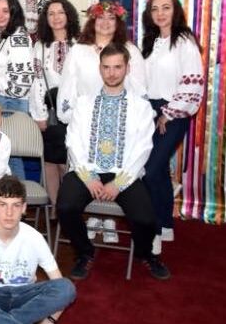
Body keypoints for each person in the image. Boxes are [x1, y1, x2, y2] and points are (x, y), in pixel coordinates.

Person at [57, 43, 171, 281]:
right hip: (86, 171)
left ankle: (145, 253)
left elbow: (143, 149)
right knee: (65, 207)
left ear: (127, 68)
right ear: (100, 69)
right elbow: (73, 141)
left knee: (146, 219)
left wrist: (118, 183)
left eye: (117, 67)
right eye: (107, 67)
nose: (112, 73)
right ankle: (84, 252)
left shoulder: (141, 107)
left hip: (124, 174)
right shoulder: (84, 103)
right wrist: (88, 177)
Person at [0, 177, 76, 324]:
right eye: (3, 205)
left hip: (24, 296)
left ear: (24, 208)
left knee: (66, 287)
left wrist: (48, 322)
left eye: (16, 205)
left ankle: (2, 321)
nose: (9, 213)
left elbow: (60, 285)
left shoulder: (35, 237)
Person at [141, 0, 204, 251]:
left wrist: (168, 113)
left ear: (175, 10)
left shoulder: (184, 41)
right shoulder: (151, 42)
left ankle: (154, 231)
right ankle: (166, 225)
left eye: (166, 7)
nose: (160, 13)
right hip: (150, 111)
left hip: (172, 112)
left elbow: (193, 81)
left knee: (151, 170)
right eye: (155, 9)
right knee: (158, 171)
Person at [57, 0, 147, 126]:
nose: (105, 22)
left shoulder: (130, 50)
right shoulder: (78, 50)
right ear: (93, 21)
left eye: (111, 18)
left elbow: (139, 86)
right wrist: (71, 117)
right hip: (86, 120)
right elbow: (67, 86)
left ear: (118, 23)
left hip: (122, 119)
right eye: (100, 17)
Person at [28, 0, 81, 210]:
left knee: (69, 162)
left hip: (77, 113)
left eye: (60, 12)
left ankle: (69, 207)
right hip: (49, 110)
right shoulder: (40, 46)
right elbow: (36, 80)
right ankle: (55, 208)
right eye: (51, 13)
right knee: (51, 161)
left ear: (68, 15)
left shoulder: (81, 44)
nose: (56, 17)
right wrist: (39, 114)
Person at [0, 0, 43, 180]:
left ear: (14, 13)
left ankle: (17, 194)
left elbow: (23, 76)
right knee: (4, 154)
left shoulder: (18, 36)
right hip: (3, 99)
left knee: (11, 155)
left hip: (11, 101)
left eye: (5, 11)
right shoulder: (2, 35)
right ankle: (12, 193)